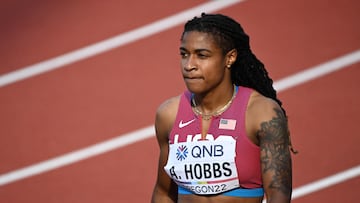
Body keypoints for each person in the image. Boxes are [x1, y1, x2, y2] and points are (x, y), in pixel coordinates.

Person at [151, 13, 297, 203]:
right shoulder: (168, 115)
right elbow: (163, 192)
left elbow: (279, 195)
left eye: (202, 55)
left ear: (230, 58)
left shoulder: (261, 114)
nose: (189, 65)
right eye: (184, 54)